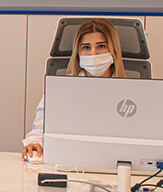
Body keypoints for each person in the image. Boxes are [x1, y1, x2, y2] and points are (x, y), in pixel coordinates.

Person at [22, 18, 126, 160]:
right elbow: (40, 128)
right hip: (70, 161)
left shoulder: (131, 91)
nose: (93, 53)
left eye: (101, 46)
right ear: (78, 53)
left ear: (113, 50)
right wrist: (35, 142)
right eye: (86, 47)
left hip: (117, 163)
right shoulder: (61, 89)